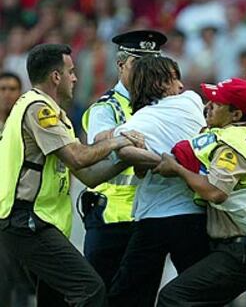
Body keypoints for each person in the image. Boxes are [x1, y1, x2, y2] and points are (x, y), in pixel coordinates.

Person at [0, 43, 147, 306]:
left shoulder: (55, 115)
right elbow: (78, 156)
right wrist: (117, 140)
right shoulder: (38, 109)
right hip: (26, 220)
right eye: (71, 71)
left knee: (54, 300)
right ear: (56, 76)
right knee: (90, 290)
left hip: (35, 221)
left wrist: (123, 159)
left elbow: (88, 175)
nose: (75, 78)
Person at [155, 77, 246, 306]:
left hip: (242, 251)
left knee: (173, 297)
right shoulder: (245, 135)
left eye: (217, 102)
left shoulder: (231, 145)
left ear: (235, 115)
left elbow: (216, 192)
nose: (208, 106)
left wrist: (177, 169)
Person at [107, 55, 209, 307]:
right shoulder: (192, 101)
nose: (181, 86)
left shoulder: (134, 125)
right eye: (174, 79)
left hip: (153, 218)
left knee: (129, 294)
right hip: (194, 216)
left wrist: (157, 161)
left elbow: (124, 152)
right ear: (160, 82)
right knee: (200, 295)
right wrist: (176, 165)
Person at [80, 29, 167, 289]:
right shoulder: (107, 107)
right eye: (138, 64)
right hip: (112, 220)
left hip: (149, 217)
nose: (146, 72)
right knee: (103, 295)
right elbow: (101, 142)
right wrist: (124, 137)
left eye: (152, 65)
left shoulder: (162, 105)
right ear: (120, 65)